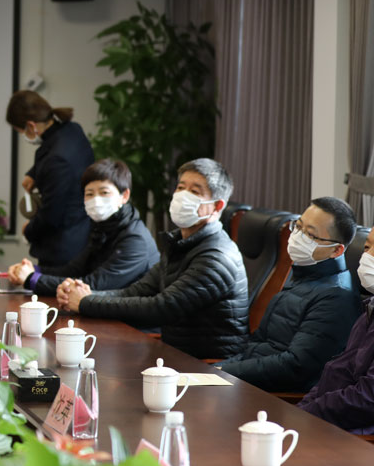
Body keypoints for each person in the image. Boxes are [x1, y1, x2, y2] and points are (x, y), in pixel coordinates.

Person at [60, 158, 249, 359]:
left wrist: (86, 302)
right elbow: (137, 291)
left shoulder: (217, 257)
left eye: (194, 191)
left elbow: (162, 308)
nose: (182, 195)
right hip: (175, 355)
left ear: (217, 206)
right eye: (181, 188)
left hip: (210, 365)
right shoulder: (180, 243)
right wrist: (86, 295)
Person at [219, 198, 361, 392]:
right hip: (251, 379)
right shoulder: (304, 274)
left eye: (310, 234)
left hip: (277, 395)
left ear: (336, 250)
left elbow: (295, 366)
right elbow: (256, 343)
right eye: (298, 226)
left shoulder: (337, 297)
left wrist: (224, 372)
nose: (298, 236)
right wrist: (218, 370)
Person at [8, 158, 159, 296]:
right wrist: (33, 270)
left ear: (124, 196)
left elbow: (94, 285)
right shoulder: (103, 228)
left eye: (104, 192)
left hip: (131, 317)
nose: (96, 200)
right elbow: (73, 270)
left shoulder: (135, 239)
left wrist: (31, 279)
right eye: (89, 194)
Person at [6, 90, 94, 268]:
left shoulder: (56, 160)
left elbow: (51, 215)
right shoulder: (72, 130)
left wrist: (28, 230)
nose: (23, 136)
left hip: (63, 248)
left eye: (20, 131)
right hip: (83, 236)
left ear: (31, 126)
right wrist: (34, 173)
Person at [299, 228, 374, 433]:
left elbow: (367, 399)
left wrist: (307, 415)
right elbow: (337, 371)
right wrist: (302, 410)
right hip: (327, 421)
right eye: (367, 247)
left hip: (355, 438)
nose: (368, 256)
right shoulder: (369, 308)